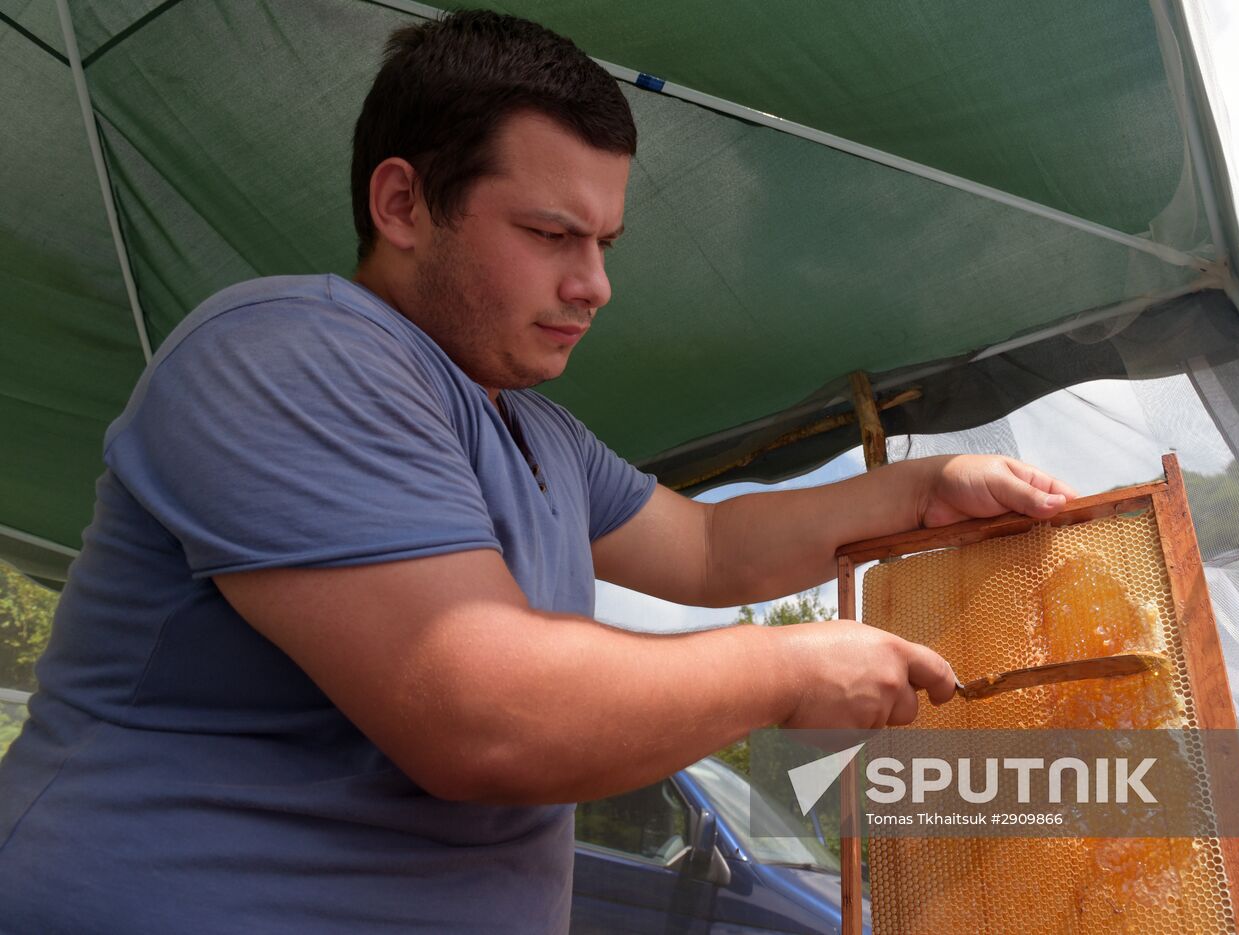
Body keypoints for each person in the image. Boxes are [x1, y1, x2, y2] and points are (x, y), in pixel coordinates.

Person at [0, 9, 1075, 933]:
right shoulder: (291, 354)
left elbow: (705, 546)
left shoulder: (533, 431)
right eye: (552, 233)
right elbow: (484, 712)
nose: (594, 283)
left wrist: (915, 495)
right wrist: (790, 668)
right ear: (402, 204)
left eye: (604, 240)